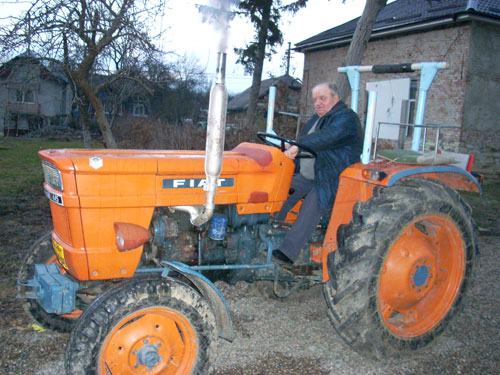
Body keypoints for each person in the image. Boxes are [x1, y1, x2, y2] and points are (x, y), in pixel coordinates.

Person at [272, 82, 363, 266]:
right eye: (315, 100)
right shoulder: (316, 119)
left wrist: (298, 146)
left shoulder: (346, 119)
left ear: (335, 99)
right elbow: (305, 141)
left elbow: (325, 138)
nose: (318, 103)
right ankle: (269, 228)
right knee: (280, 192)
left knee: (313, 203)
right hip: (309, 175)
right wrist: (291, 146)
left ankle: (288, 253)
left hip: (332, 177)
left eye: (323, 98)